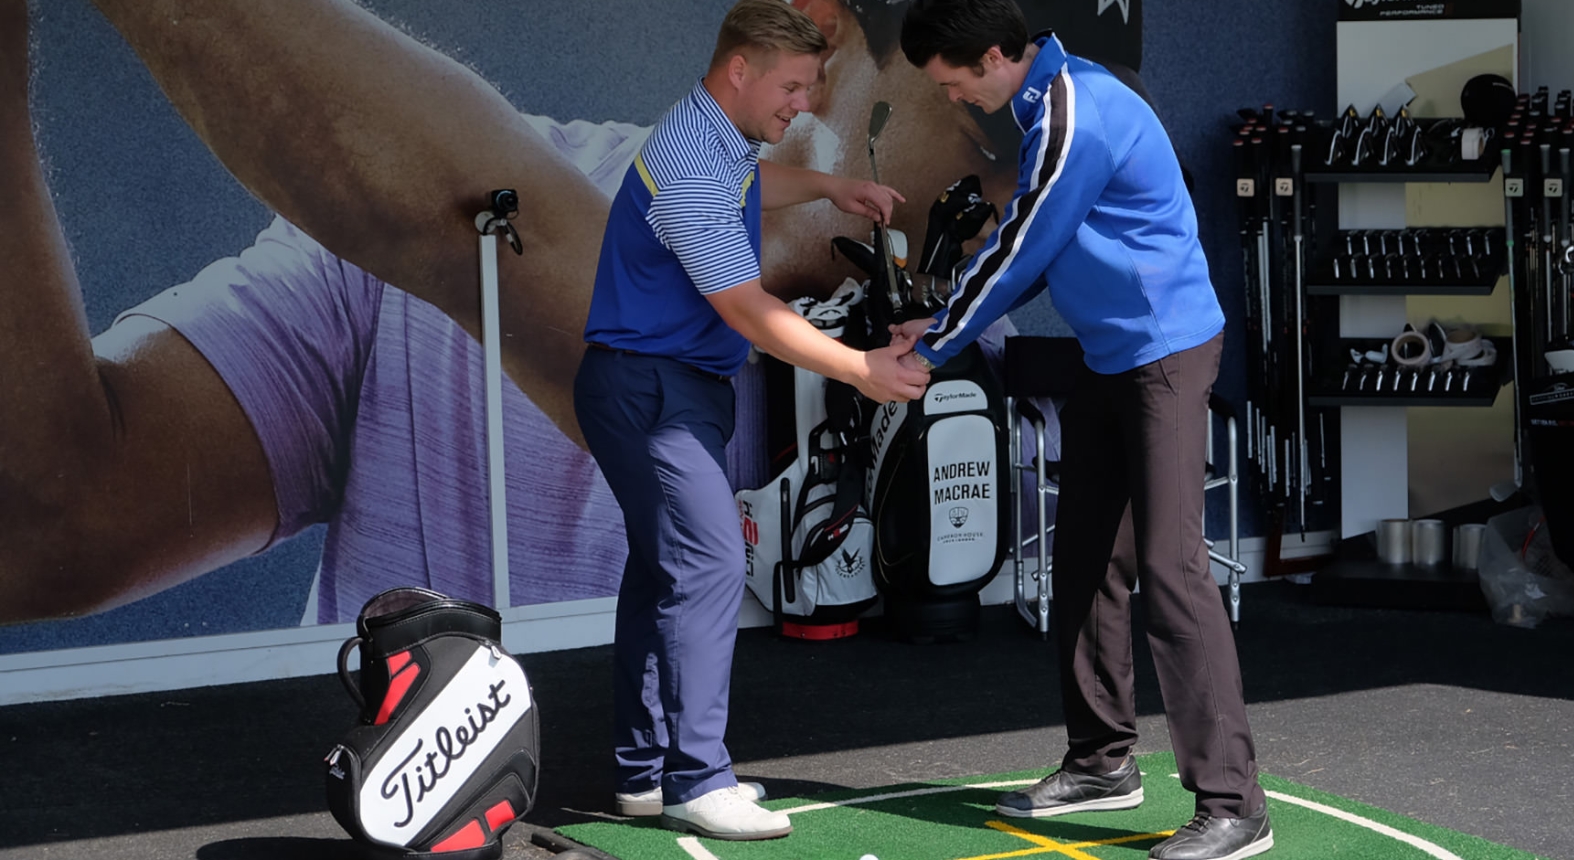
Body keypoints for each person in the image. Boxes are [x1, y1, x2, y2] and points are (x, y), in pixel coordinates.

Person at [0, 0, 1031, 633]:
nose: (1056, 191)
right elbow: (39, 522)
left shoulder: (967, 354)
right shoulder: (396, 230)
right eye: (1003, 127)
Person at [894, 3, 1271, 859]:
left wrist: (942, 338)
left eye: (953, 79)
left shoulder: (1075, 109)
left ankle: (1235, 806)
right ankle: (1103, 763)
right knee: (1088, 558)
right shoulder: (1041, 104)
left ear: (993, 54)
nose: (951, 95)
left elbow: (1027, 241)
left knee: (1173, 571)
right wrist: (942, 320)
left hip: (1167, 354)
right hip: (1110, 354)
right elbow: (1030, 236)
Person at [570, 0, 925, 842]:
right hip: (650, 390)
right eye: (793, 86)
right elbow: (746, 307)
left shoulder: (716, 140)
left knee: (667, 571)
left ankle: (644, 773)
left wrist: (834, 187)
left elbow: (750, 185)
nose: (802, 104)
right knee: (711, 562)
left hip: (669, 384)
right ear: (740, 70)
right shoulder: (694, 156)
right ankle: (697, 776)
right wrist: (862, 371)